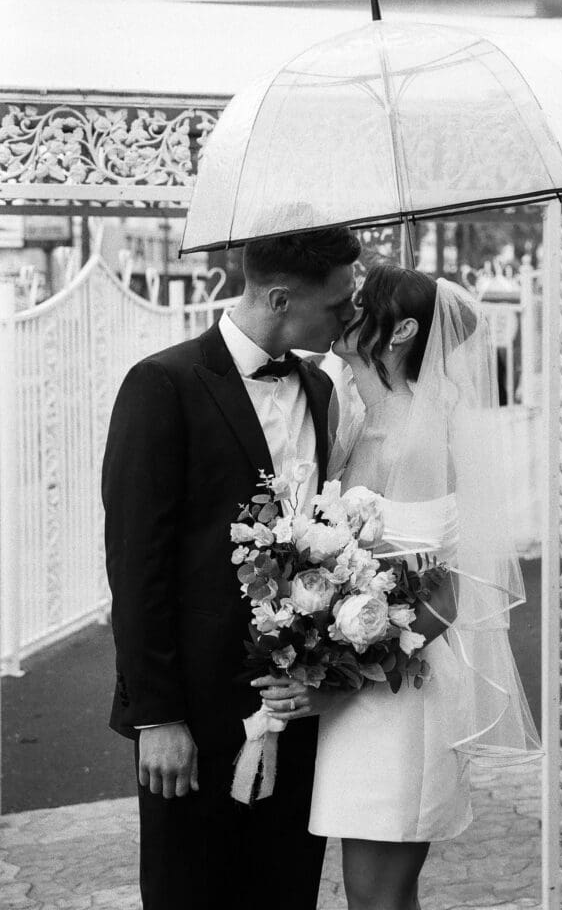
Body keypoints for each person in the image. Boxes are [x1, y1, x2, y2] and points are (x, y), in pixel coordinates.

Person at [256, 264, 541, 910]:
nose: (349, 309)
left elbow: (446, 595)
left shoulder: (420, 436)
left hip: (398, 693)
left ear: (404, 330)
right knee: (381, 895)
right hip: (364, 696)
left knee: (375, 896)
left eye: (365, 303)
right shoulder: (356, 421)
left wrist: (331, 668)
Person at [101, 225, 360, 910]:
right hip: (194, 709)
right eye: (337, 304)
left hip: (292, 700)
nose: (349, 315)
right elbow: (135, 561)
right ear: (280, 299)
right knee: (190, 890)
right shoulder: (163, 383)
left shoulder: (319, 389)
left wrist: (321, 671)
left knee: (284, 887)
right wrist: (156, 717)